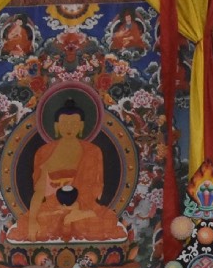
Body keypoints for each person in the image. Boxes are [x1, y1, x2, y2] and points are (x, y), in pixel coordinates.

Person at [11, 99, 127, 243]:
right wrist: (33, 220)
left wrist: (77, 208)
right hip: (53, 209)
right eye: (64, 123)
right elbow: (39, 192)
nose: (69, 127)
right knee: (28, 225)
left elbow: (96, 190)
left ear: (81, 126)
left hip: (83, 208)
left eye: (74, 123)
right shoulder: (44, 152)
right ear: (56, 126)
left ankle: (78, 216)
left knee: (106, 220)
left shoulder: (92, 151)